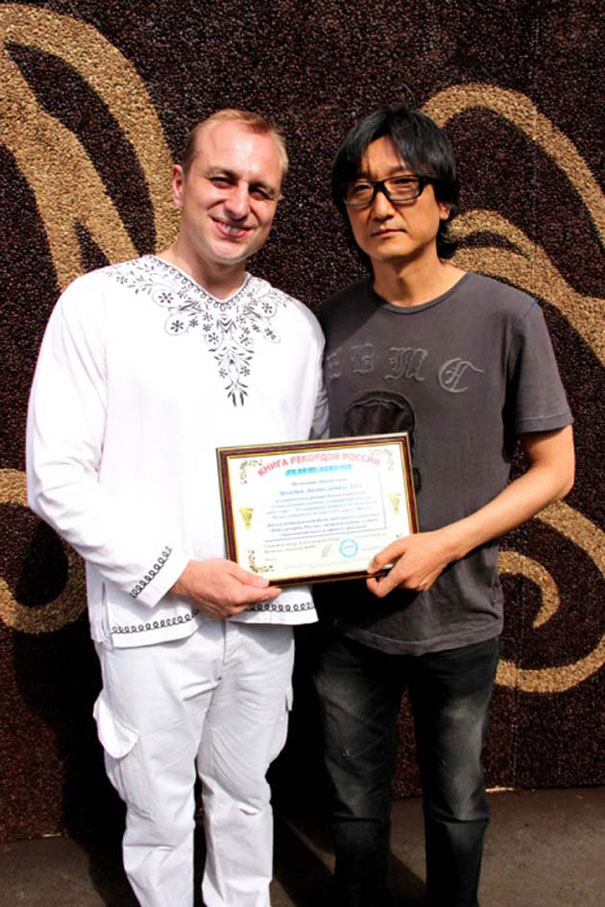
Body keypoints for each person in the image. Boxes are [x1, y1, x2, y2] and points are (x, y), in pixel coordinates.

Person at [26, 109, 327, 907]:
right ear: (178, 183)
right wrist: (181, 574)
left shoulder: (298, 329)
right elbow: (54, 477)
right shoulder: (98, 305)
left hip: (266, 615)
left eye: (260, 189)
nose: (239, 203)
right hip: (150, 612)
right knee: (157, 815)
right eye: (222, 178)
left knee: (248, 797)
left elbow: (312, 472)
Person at [313, 106, 574, 907]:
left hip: (459, 612)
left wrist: (442, 543)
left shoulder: (505, 315)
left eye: (402, 185)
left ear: (443, 200)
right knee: (351, 811)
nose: (380, 206)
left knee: (457, 803)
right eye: (360, 190)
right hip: (346, 617)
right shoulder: (320, 323)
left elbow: (554, 469)